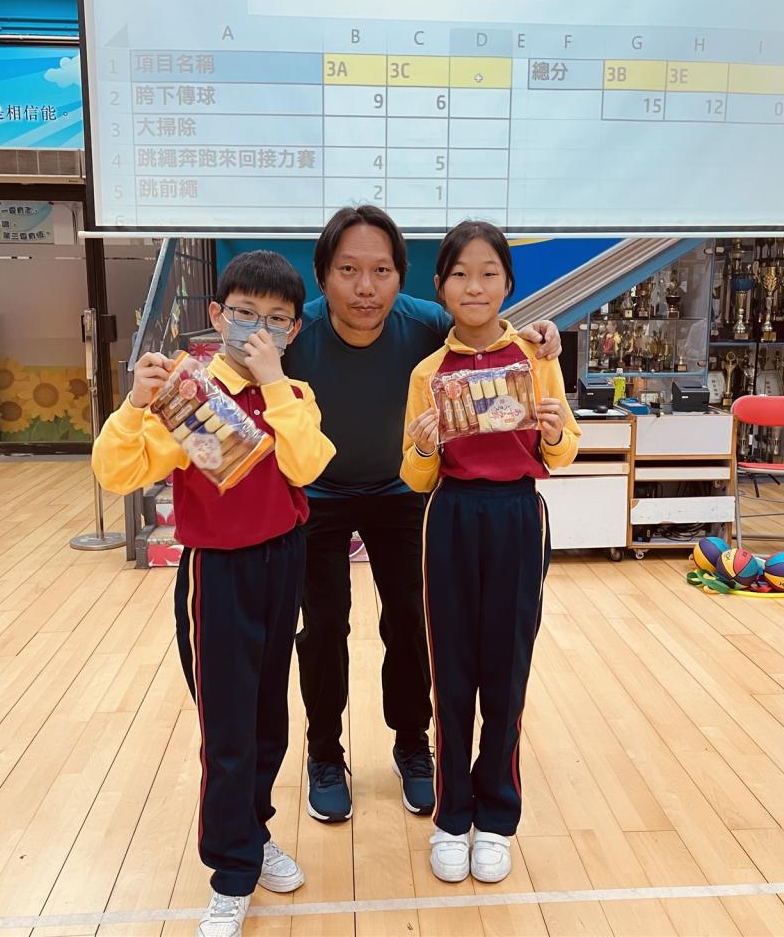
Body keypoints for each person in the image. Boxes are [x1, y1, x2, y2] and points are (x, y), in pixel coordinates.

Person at [283, 206, 561, 823]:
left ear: (402, 277)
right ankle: (324, 751)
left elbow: (485, 333)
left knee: (411, 619)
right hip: (319, 494)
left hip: (400, 490)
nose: (365, 287)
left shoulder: (427, 325)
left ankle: (412, 742)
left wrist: (541, 336)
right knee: (322, 625)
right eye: (348, 270)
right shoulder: (298, 335)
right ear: (322, 276)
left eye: (381, 270)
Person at [92, 251, 334, 937]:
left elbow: (307, 466)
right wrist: (135, 404)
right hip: (218, 574)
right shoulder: (188, 393)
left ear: (294, 329)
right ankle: (231, 873)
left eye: (278, 319)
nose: (261, 328)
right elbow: (118, 473)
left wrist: (275, 383)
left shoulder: (294, 394)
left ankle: (253, 833)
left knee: (269, 720)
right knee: (228, 728)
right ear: (217, 316)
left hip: (283, 563)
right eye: (246, 313)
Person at [399, 220, 579, 884]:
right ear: (440, 285)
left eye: (488, 274)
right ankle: (452, 816)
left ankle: (497, 818)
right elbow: (416, 476)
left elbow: (562, 454)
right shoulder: (428, 372)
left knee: (507, 670)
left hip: (517, 515)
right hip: (450, 515)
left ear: (508, 283)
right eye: (459, 274)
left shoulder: (535, 357)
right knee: (451, 670)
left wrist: (554, 431)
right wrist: (424, 444)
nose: (474, 287)